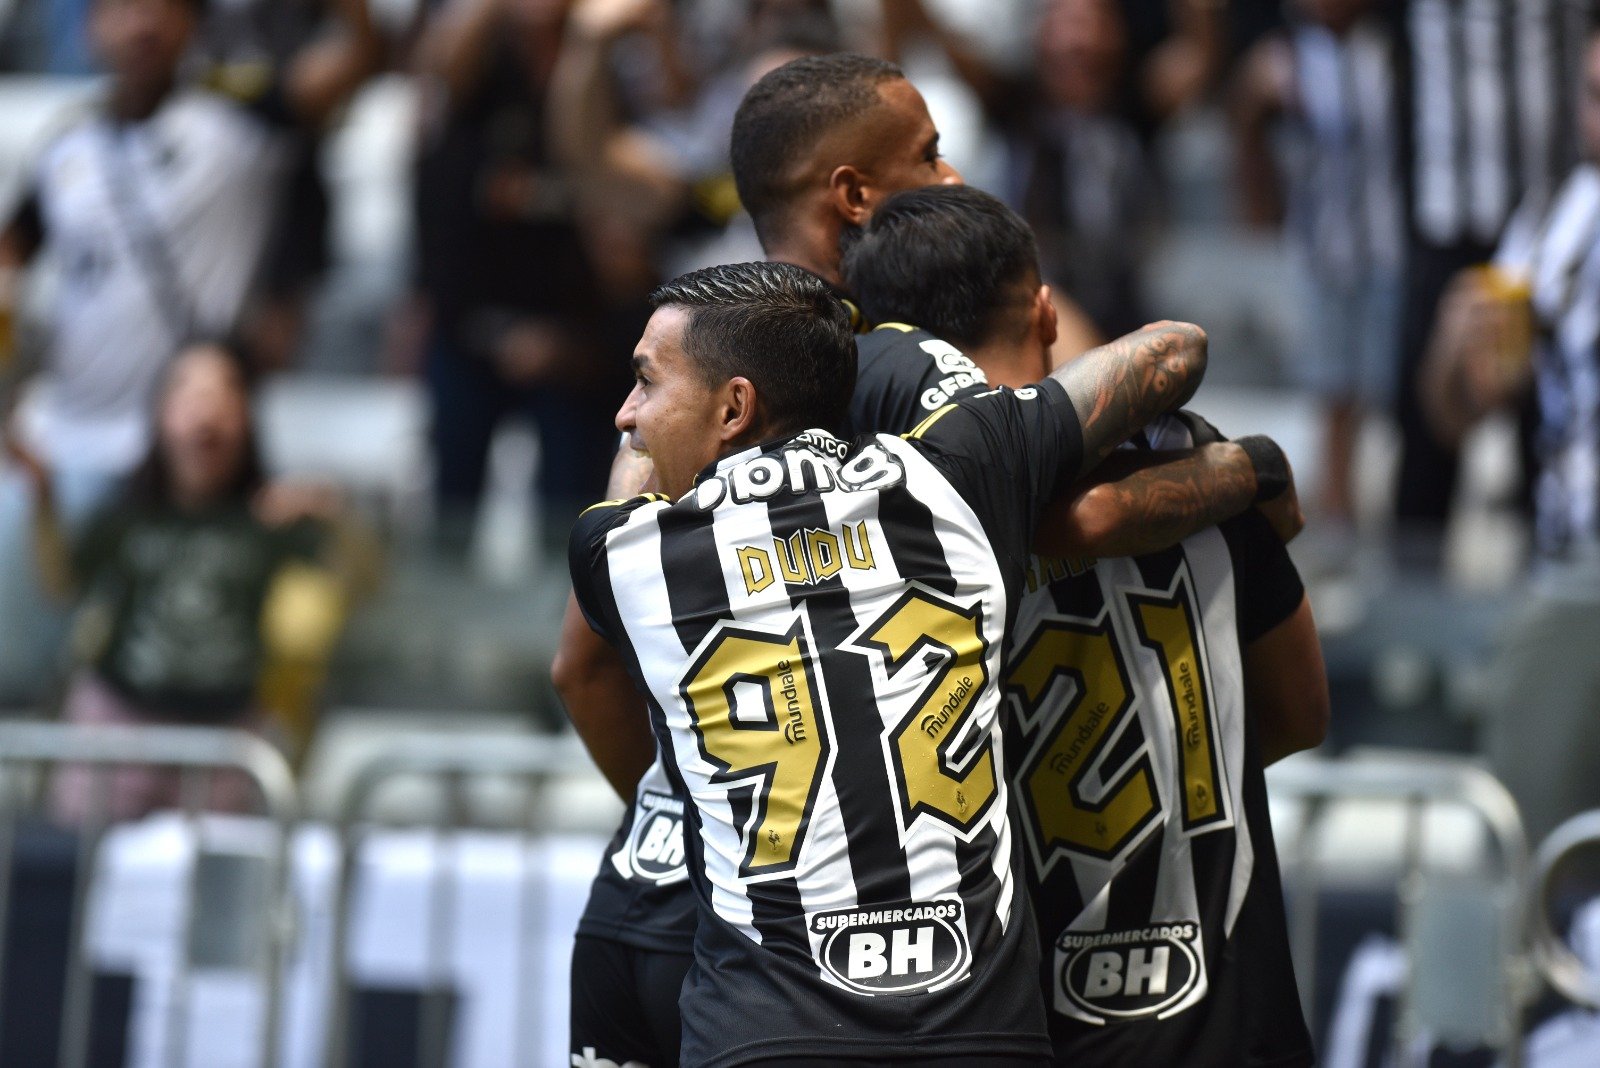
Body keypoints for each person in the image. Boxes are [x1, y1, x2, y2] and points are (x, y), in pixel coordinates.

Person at [568, 260, 1215, 1064]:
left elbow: (633, 484)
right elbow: (1171, 352)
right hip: (983, 1037)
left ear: (734, 407)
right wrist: (1252, 468)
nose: (629, 414)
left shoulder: (628, 554)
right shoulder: (958, 468)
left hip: (766, 1035)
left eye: (646, 383)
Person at [842, 185, 1326, 1066]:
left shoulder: (869, 511)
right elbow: (1301, 709)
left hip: (1009, 1024)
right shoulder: (1201, 457)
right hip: (1226, 1019)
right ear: (1046, 312)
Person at [0, 0, 379, 701]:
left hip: (188, 455)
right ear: (90, 28)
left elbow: (353, 65)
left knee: (182, 653)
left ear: (191, 26)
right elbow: (12, 254)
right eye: (120, 9)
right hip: (73, 442)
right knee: (38, 651)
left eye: (161, 8)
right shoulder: (67, 148)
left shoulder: (237, 123)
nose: (141, 24)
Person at [8, 341, 367, 823]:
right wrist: (43, 495)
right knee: (91, 875)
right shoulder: (126, 515)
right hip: (120, 728)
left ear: (247, 419)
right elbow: (62, 584)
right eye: (188, 393)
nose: (206, 409)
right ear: (158, 417)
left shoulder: (270, 518)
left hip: (227, 736)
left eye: (224, 394)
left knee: (218, 884)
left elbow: (363, 582)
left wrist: (335, 514)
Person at [1428, 28, 1600, 846]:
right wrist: (1458, 347)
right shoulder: (1556, 218)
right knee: (1534, 837)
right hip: (1565, 560)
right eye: (1598, 95)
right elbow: (1455, 414)